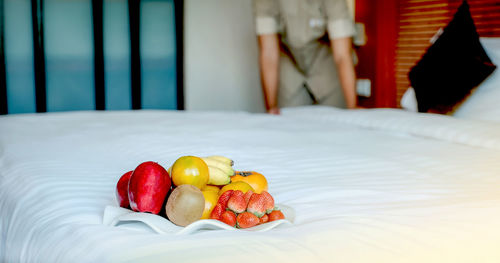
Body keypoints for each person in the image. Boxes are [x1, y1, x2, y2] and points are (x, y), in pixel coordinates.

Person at [253, 0, 357, 114]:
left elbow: (342, 56)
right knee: (288, 121)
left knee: (336, 118)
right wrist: (271, 106)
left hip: (326, 64)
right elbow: (269, 54)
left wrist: (352, 109)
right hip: (290, 63)